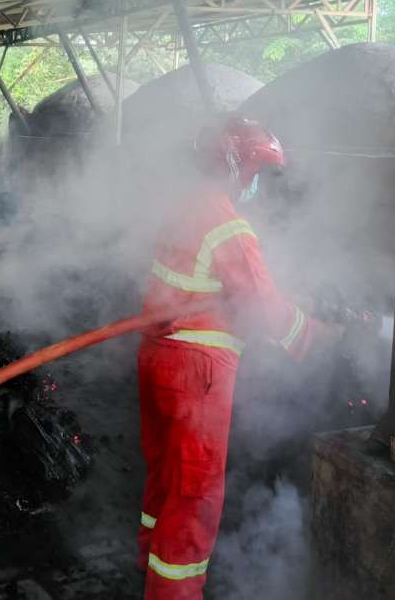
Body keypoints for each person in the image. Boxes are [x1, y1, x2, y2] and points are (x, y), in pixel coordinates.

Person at [136, 116, 330, 598]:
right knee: (196, 493)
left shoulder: (183, 206)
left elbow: (208, 284)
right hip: (197, 373)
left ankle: (146, 560)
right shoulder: (227, 225)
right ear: (240, 168)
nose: (258, 184)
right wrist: (316, 335)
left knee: (165, 477)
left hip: (158, 355)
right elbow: (265, 310)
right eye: (258, 172)